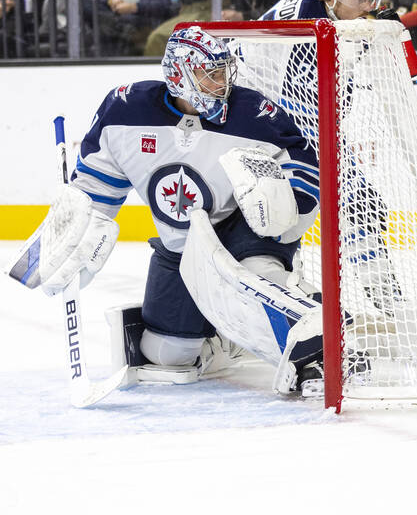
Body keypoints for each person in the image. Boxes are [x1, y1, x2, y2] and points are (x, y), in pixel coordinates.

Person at [24, 24, 323, 394]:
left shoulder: (253, 113)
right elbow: (95, 189)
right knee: (167, 355)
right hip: (181, 243)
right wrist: (71, 230)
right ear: (179, 75)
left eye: (221, 72)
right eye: (208, 74)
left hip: (242, 228)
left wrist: (284, 209)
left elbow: (306, 168)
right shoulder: (125, 110)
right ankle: (222, 337)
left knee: (254, 273)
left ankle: (317, 335)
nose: (220, 82)